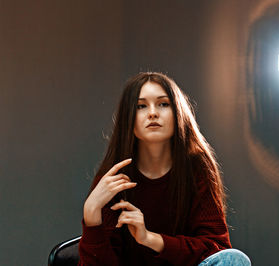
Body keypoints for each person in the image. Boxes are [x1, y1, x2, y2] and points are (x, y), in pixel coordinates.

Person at [78, 72, 251, 266]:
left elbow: (218, 248)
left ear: (178, 112)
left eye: (163, 104)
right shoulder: (114, 179)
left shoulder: (195, 168)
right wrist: (91, 213)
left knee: (235, 259)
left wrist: (149, 238)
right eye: (141, 106)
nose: (153, 113)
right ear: (129, 118)